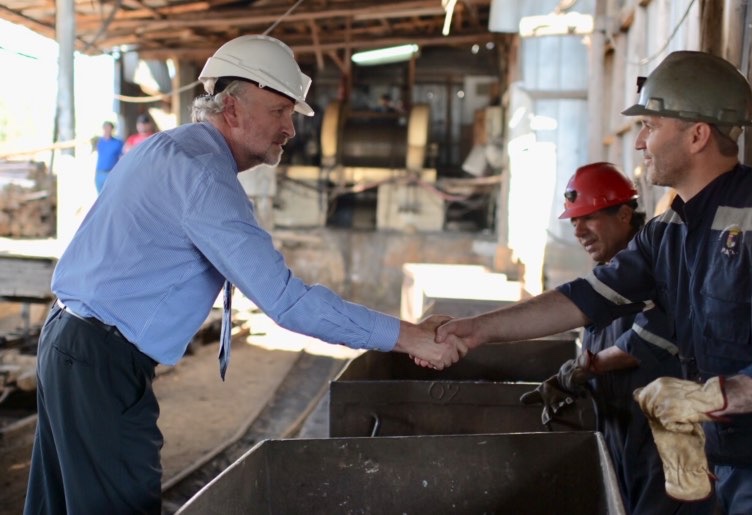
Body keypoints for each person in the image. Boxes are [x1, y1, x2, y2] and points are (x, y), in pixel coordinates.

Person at [24, 34, 464, 515]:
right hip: (98, 360)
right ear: (232, 108)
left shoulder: (171, 149)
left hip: (72, 343)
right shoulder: (203, 178)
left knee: (56, 506)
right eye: (279, 111)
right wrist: (410, 337)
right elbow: (288, 302)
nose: (289, 129)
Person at [436, 50, 752, 514]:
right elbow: (585, 299)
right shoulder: (669, 231)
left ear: (697, 135)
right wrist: (475, 331)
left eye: (650, 126)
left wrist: (714, 396)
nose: (639, 143)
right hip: (724, 461)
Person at [519, 162, 714, 514]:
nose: (579, 230)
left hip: (664, 440)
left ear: (624, 214)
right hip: (623, 434)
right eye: (574, 221)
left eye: (589, 217)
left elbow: (648, 338)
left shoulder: (658, 268)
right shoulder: (605, 277)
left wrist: (584, 367)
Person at [93, 120, 123, 193]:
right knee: (100, 196)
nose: (107, 130)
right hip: (100, 172)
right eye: (106, 128)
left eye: (109, 128)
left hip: (112, 173)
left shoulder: (118, 143)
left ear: (112, 129)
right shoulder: (98, 141)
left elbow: (122, 157)